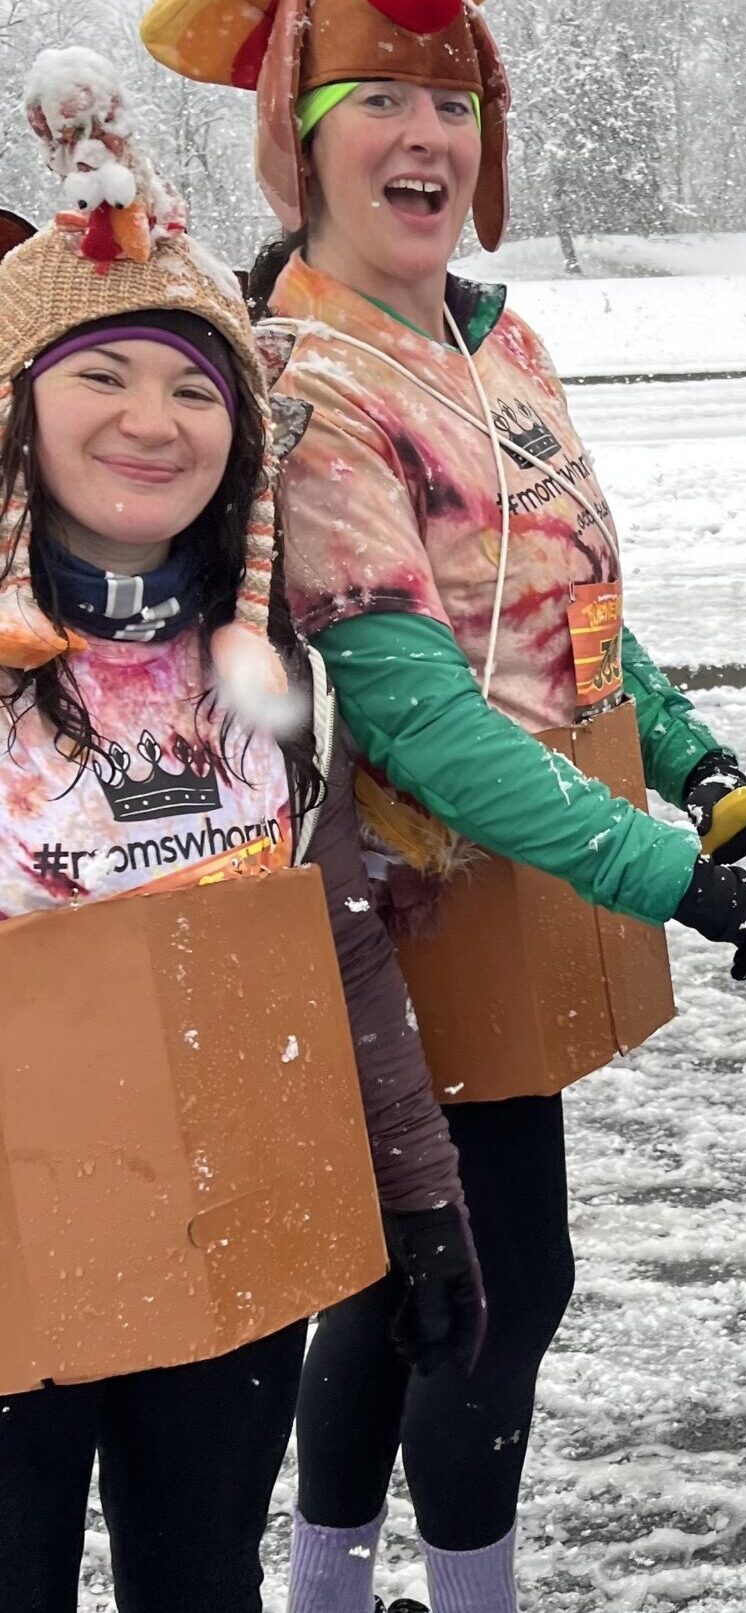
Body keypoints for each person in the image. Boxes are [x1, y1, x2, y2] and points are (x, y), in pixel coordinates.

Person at [139, 1, 746, 1607]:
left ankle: (325, 1585)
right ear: (298, 141)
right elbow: (417, 718)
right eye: (378, 97)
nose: (425, 135)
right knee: (492, 1283)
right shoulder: (307, 381)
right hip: (389, 911)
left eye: (452, 102)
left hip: (512, 890)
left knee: (406, 1289)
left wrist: (707, 776)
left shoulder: (493, 339)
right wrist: (675, 875)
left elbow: (577, 622)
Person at [0, 48, 478, 1612]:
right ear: (16, 412)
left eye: (197, 385)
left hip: (223, 1242)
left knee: (201, 1577)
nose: (157, 420)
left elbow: (338, 961)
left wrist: (419, 1207)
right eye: (104, 375)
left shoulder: (278, 689)